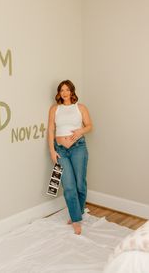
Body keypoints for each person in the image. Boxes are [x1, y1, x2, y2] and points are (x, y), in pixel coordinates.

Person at [48, 80, 93, 235]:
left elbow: (89, 125)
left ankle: (78, 212)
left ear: (72, 91)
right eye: (62, 90)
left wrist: (80, 132)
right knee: (68, 186)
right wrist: (52, 150)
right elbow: (51, 130)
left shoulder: (80, 107)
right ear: (59, 93)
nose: (64, 92)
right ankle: (76, 220)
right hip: (61, 150)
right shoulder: (55, 109)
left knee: (80, 183)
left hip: (78, 148)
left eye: (67, 89)